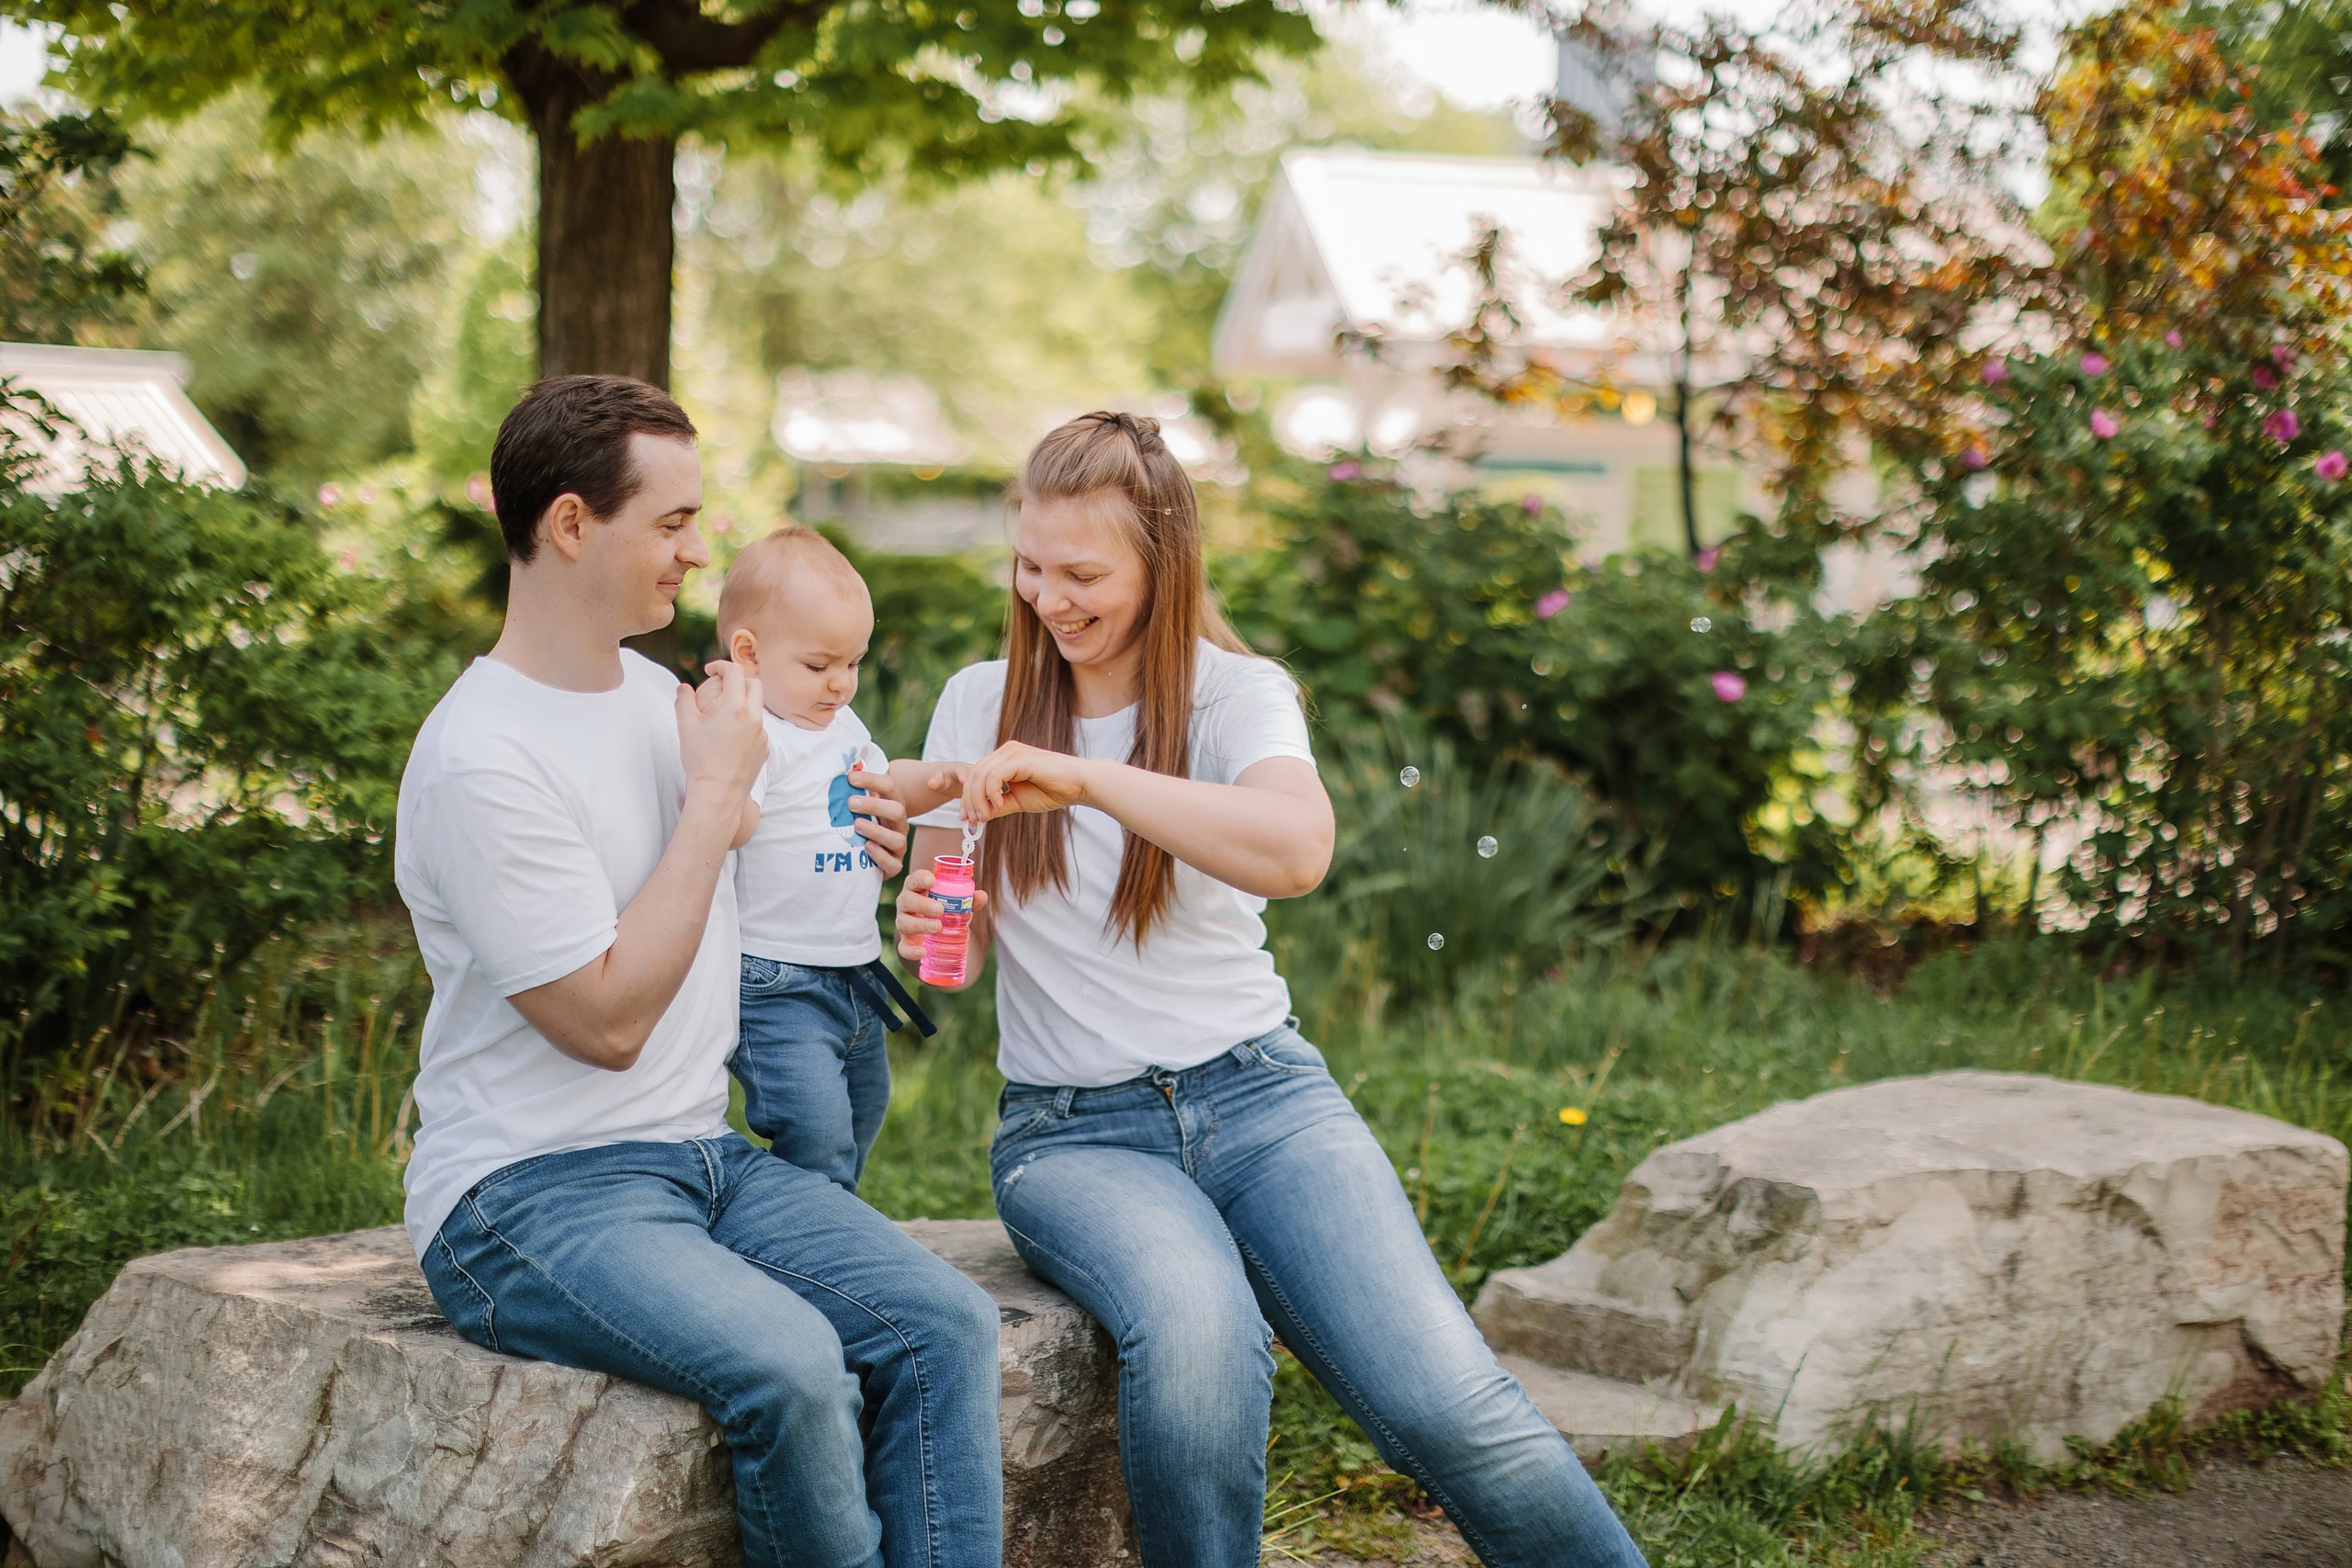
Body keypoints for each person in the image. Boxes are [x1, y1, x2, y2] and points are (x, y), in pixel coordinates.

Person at [895, 411, 1650, 1568]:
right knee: (1201, 1338)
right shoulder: (975, 700)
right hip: (1071, 1135)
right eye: (1031, 565)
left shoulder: (1233, 697)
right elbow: (962, 932)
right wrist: (934, 914)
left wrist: (1089, 779)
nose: (1050, 598)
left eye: (1084, 573)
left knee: (1453, 1405)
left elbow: (1297, 852)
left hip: (1264, 1103)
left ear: (1163, 560)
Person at [395, 375, 1002, 1568]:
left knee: (945, 1321)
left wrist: (894, 839)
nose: (696, 549)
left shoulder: (668, 699)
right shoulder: (482, 757)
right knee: (791, 1366)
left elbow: (812, 825)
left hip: (701, 1156)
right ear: (573, 524)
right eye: (672, 520)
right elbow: (608, 1017)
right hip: (524, 1191)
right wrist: (719, 792)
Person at [715, 524, 969, 1192]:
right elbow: (729, 823)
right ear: (749, 653)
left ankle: (832, 1229)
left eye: (853, 663)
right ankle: (808, 1235)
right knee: (814, 1131)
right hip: (778, 980)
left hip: (854, 971)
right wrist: (713, 772)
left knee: (863, 1113)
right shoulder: (760, 733)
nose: (841, 683)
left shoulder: (839, 724)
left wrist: (938, 779)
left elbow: (886, 788)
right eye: (820, 665)